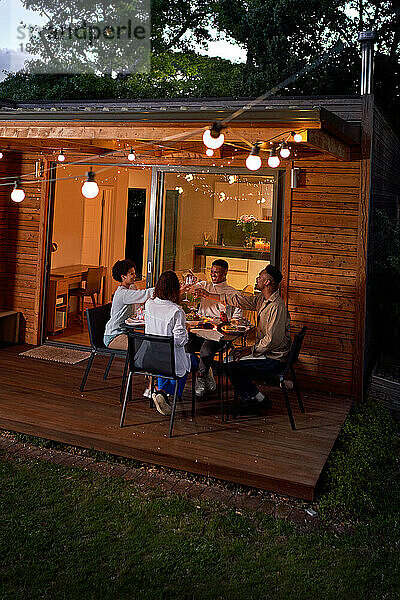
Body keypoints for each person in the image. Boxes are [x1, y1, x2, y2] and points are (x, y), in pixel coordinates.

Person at [196, 264, 291, 414]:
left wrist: (250, 349)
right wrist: (208, 295)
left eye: (260, 276)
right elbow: (239, 301)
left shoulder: (277, 307)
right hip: (266, 352)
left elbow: (273, 341)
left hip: (274, 358)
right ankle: (255, 398)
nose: (257, 279)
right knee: (229, 360)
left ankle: (254, 399)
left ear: (267, 282)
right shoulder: (262, 299)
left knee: (230, 365)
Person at [142, 271, 198, 416]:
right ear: (175, 289)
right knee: (192, 360)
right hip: (170, 362)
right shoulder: (176, 311)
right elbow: (179, 341)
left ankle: (161, 393)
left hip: (150, 359)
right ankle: (167, 393)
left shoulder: (149, 304)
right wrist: (186, 329)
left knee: (164, 362)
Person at [186, 259, 242, 398]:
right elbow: (190, 289)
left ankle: (201, 377)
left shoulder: (233, 293)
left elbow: (237, 319)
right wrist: (191, 283)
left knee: (206, 349)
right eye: (211, 271)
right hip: (199, 330)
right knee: (184, 344)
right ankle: (206, 370)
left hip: (218, 333)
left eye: (216, 272)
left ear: (225, 273)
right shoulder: (205, 285)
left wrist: (228, 320)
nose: (213, 275)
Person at [103, 259, 154, 351]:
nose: (135, 276)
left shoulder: (131, 288)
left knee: (150, 343)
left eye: (134, 273)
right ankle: (136, 365)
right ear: (123, 276)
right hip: (114, 336)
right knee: (144, 347)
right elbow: (145, 294)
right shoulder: (123, 294)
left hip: (126, 332)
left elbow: (140, 303)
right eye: (131, 274)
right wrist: (163, 288)